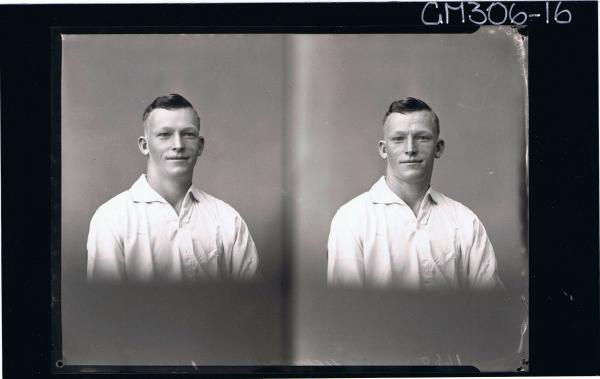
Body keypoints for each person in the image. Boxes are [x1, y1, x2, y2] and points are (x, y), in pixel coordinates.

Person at [327, 97, 503, 291]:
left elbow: (492, 311)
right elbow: (347, 312)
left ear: (438, 148)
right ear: (384, 149)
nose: (410, 149)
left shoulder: (466, 222)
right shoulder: (351, 219)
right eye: (398, 139)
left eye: (422, 137)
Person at [87, 94, 260, 283]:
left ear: (200, 146)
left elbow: (253, 305)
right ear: (145, 145)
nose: (178, 145)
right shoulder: (112, 218)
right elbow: (107, 307)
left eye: (188, 134)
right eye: (164, 135)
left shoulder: (228, 219)